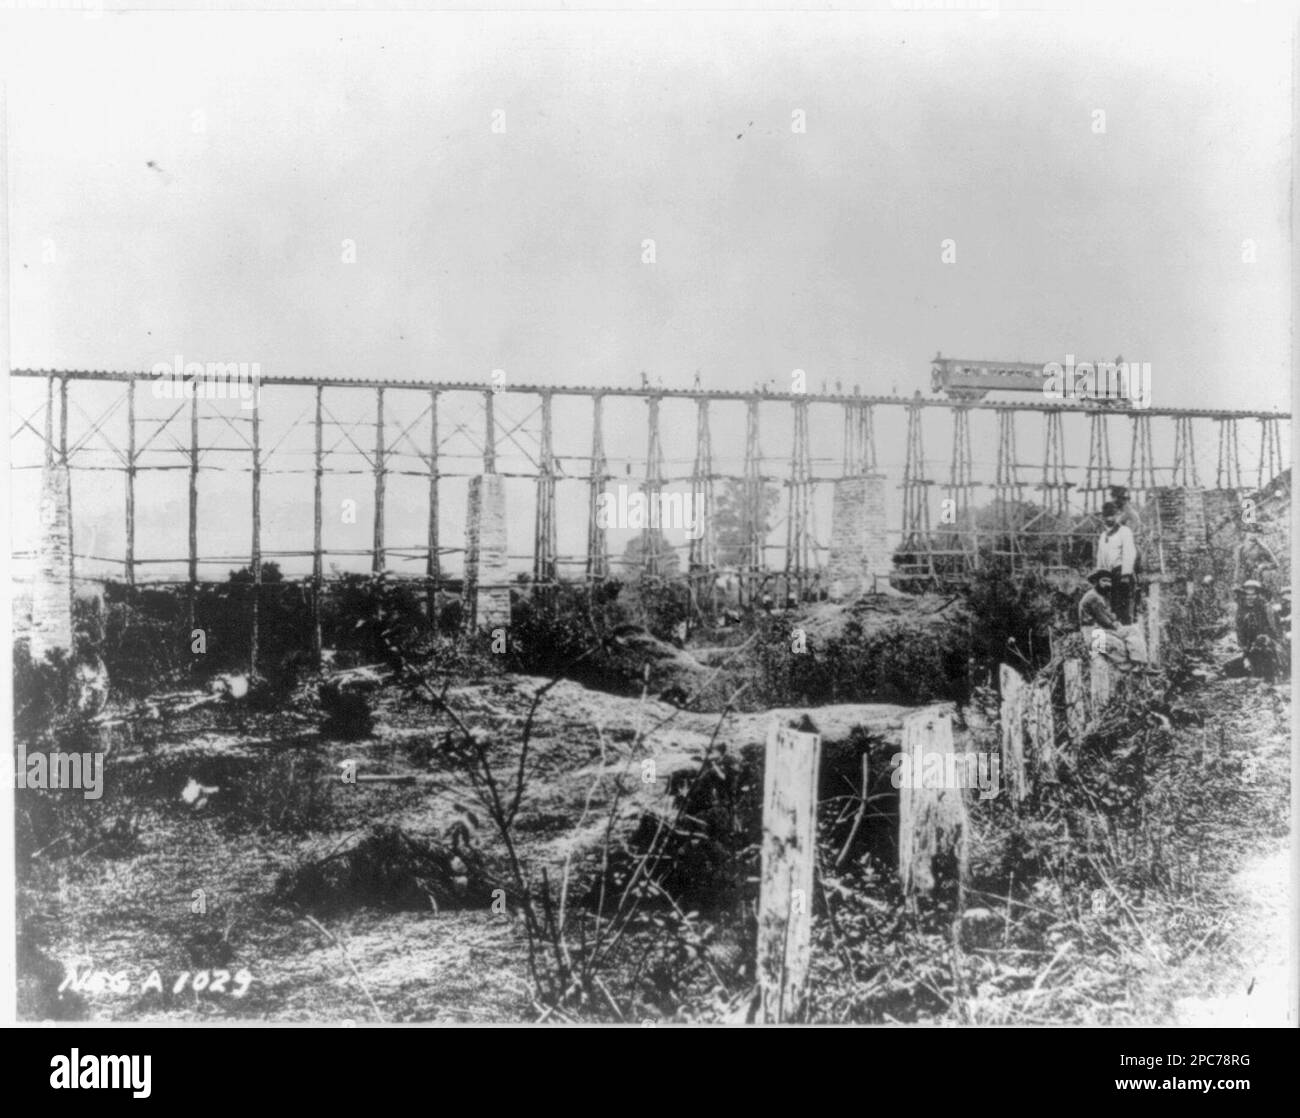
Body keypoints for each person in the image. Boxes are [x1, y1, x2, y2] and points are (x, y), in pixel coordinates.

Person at [1078, 569, 1148, 669]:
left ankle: (1139, 662)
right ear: (1097, 582)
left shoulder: (1103, 596)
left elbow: (1109, 615)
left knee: (1133, 630)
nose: (1108, 584)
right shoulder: (1093, 597)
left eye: (1109, 581)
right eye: (1104, 581)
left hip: (1104, 629)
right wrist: (1115, 625)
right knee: (1120, 646)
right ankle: (1128, 667)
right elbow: (1104, 620)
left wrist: (1116, 622)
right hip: (1093, 634)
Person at [1224, 580, 1280, 681]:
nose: (1250, 597)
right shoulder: (1241, 610)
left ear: (1258, 595)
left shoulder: (1266, 608)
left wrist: (1266, 639)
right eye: (1247, 594)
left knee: (1265, 667)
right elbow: (1240, 632)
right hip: (1250, 648)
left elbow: (1275, 631)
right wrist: (1245, 650)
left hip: (1268, 648)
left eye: (1253, 594)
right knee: (1229, 668)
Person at [1096, 501, 1137, 624]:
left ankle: (1127, 637)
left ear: (1117, 516)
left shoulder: (1124, 531)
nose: (1109, 519)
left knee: (1124, 611)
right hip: (1108, 575)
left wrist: (1125, 575)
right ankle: (1111, 639)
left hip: (1122, 575)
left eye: (1112, 515)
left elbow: (1129, 553)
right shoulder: (1103, 536)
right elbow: (1100, 557)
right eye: (1106, 516)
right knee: (1109, 610)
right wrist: (1100, 576)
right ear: (1102, 517)